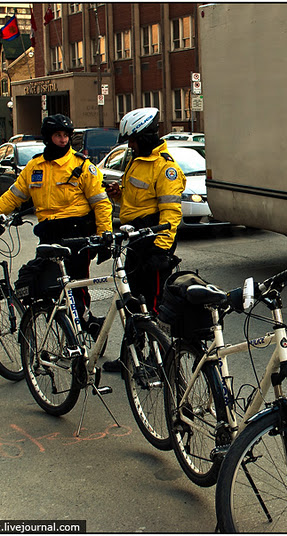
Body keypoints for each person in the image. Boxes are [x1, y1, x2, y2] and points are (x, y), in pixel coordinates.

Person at [0, 114, 112, 335]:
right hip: (48, 234)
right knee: (47, 287)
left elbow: (101, 203)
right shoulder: (34, 166)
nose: (63, 140)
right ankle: (63, 331)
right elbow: (13, 197)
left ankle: (87, 325)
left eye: (66, 135)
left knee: (76, 286)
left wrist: (105, 234)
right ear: (48, 138)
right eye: (58, 135)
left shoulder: (82, 166)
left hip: (76, 233)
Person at [102, 107, 184, 372]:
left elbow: (171, 212)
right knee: (133, 301)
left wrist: (161, 251)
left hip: (154, 243)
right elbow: (136, 199)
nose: (131, 145)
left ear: (147, 136)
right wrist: (118, 194)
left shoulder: (166, 168)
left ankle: (160, 359)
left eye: (134, 140)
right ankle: (131, 356)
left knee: (156, 306)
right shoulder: (137, 161)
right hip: (136, 240)